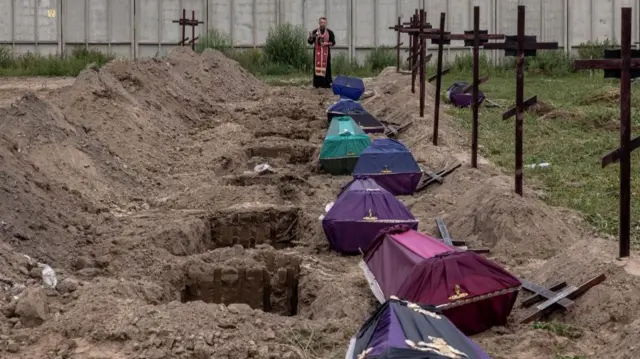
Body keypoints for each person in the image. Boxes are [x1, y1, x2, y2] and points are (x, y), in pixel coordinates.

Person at [307, 17, 336, 89]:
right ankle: (317, 84)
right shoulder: (315, 32)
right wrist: (310, 38)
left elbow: (333, 43)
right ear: (319, 23)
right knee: (317, 68)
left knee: (327, 68)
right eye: (321, 22)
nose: (323, 24)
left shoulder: (330, 32)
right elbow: (310, 42)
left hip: (326, 55)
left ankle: (327, 84)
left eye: (324, 22)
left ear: (326, 23)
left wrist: (325, 44)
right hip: (317, 54)